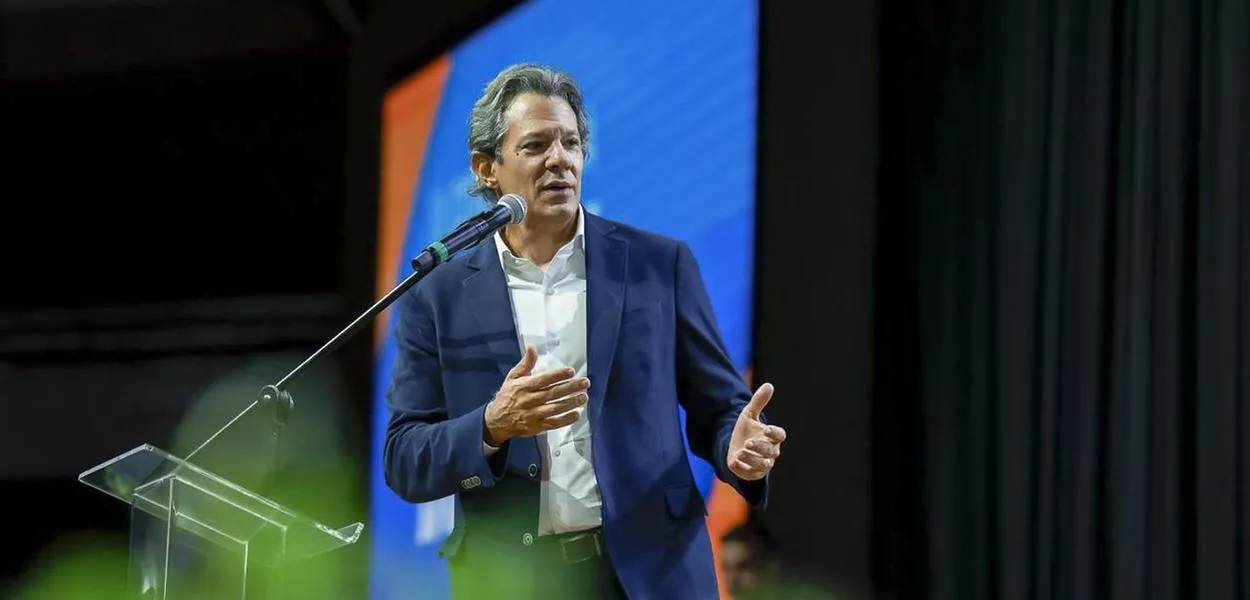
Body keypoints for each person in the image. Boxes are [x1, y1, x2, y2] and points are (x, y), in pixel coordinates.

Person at [382, 63, 787, 600]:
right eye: (535, 146)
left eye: (570, 142)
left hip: (650, 571)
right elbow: (405, 458)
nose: (560, 160)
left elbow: (719, 406)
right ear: (486, 169)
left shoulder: (655, 264)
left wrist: (735, 444)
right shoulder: (436, 294)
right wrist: (491, 425)